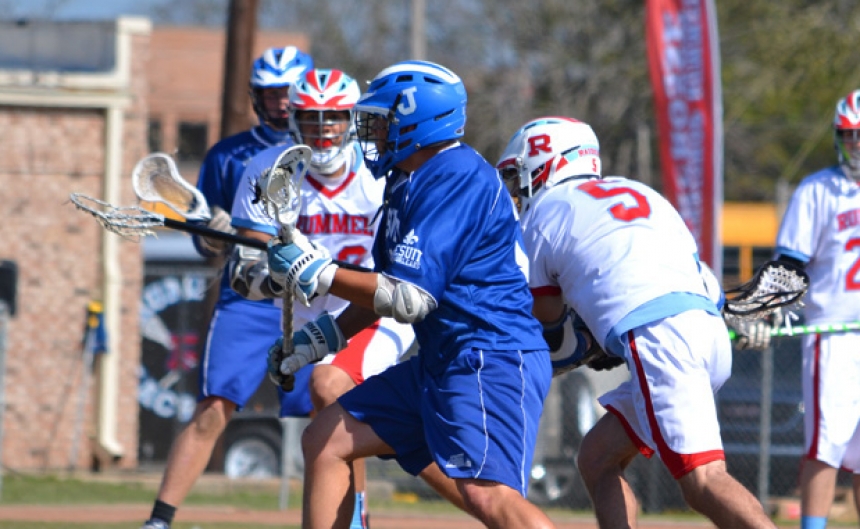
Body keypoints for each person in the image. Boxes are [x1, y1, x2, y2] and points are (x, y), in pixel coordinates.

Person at [265, 60, 556, 529]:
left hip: (488, 355)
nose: (371, 132)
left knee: (489, 497)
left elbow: (408, 298)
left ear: (415, 120)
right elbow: (382, 284)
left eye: (380, 120)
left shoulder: (455, 173)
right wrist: (316, 341)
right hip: (444, 358)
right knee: (326, 439)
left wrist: (317, 270)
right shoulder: (406, 180)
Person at [496, 116, 777, 528]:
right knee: (597, 458)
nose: (518, 191)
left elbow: (547, 323)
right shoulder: (639, 192)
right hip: (703, 329)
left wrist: (588, 344)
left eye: (518, 177)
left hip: (660, 336)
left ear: (543, 165)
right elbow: (711, 290)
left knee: (702, 480)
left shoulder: (546, 212)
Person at [228, 67, 415, 529]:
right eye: (313, 118)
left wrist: (325, 274)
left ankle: (356, 517)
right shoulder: (270, 171)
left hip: (373, 311)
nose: (324, 129)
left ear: (352, 119)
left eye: (334, 117)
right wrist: (279, 279)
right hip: (312, 321)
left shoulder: (379, 174)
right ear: (295, 120)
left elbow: (400, 265)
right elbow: (242, 273)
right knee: (331, 424)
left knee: (329, 388)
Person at [140, 46, 313, 529]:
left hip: (316, 294)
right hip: (250, 292)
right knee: (214, 405)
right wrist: (211, 230)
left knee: (333, 410)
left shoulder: (330, 155)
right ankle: (159, 519)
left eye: (289, 92)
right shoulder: (228, 155)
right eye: (271, 93)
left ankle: (349, 518)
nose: (281, 103)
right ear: (256, 97)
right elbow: (209, 251)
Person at [773, 89, 860, 529]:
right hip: (836, 333)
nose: (859, 145)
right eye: (853, 136)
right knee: (825, 445)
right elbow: (789, 264)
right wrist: (775, 304)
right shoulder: (819, 190)